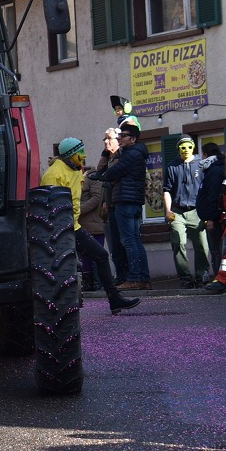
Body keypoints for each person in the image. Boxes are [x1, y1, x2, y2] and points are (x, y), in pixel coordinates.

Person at [41, 138, 140, 315]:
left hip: (74, 227)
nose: (84, 156)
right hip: (58, 230)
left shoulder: (77, 170)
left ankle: (114, 300)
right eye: (81, 153)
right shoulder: (54, 173)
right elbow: (47, 206)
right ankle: (58, 308)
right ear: (71, 155)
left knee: (101, 255)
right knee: (64, 268)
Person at [88, 123, 151, 289]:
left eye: (123, 136)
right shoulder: (135, 153)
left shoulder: (131, 154)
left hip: (125, 201)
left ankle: (135, 278)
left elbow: (109, 174)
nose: (119, 138)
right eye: (119, 135)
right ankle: (143, 279)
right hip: (131, 201)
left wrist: (108, 175)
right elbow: (107, 174)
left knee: (129, 241)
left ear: (133, 139)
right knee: (135, 241)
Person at [163, 136, 210, 288]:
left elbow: (207, 189)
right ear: (178, 149)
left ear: (193, 147)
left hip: (198, 211)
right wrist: (168, 210)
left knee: (202, 245)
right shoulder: (172, 166)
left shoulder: (201, 165)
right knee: (178, 243)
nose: (185, 150)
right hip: (178, 211)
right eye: (182, 147)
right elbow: (167, 191)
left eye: (188, 147)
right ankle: (185, 278)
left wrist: (207, 212)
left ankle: (202, 275)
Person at [98, 128, 128, 284]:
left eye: (109, 138)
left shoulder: (123, 157)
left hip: (121, 204)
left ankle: (129, 276)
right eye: (104, 139)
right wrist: (104, 154)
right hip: (110, 206)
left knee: (125, 243)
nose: (106, 142)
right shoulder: (109, 158)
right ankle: (121, 276)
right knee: (114, 246)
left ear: (118, 140)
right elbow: (99, 172)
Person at [196, 142, 226, 290]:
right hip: (215, 217)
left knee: (216, 250)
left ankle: (219, 279)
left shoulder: (214, 171)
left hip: (214, 219)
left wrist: (210, 218)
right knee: (217, 249)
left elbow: (213, 196)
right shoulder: (214, 169)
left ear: (206, 155)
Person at [78, 163, 106, 292]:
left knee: (96, 254)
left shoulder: (91, 177)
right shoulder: (73, 177)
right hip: (80, 223)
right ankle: (88, 282)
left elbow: (97, 198)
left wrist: (78, 210)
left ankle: (97, 282)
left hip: (93, 223)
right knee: (84, 256)